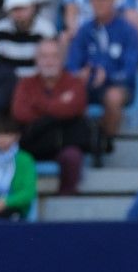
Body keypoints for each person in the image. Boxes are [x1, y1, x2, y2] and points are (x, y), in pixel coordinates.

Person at [66, 0, 138, 151]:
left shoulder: (128, 30)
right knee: (68, 94)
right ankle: (77, 141)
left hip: (118, 85)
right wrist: (81, 74)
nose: (100, 3)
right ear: (90, 1)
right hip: (88, 85)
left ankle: (105, 142)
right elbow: (72, 65)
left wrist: (107, 75)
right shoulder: (85, 30)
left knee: (113, 97)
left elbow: (129, 70)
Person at [12, 37, 89, 194]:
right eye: (44, 56)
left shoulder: (75, 83)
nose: (49, 61)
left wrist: (37, 104)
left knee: (73, 156)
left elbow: (74, 108)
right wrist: (59, 104)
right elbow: (20, 113)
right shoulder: (25, 84)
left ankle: (65, 201)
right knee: (9, 153)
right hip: (32, 142)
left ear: (62, 59)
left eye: (54, 56)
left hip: (63, 143)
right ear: (37, 60)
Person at [0, 0, 57, 76]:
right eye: (14, 9)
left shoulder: (46, 30)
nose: (19, 13)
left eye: (23, 8)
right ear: (7, 11)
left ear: (33, 8)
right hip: (7, 81)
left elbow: (50, 63)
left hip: (36, 82)